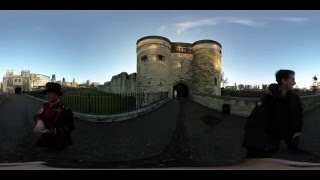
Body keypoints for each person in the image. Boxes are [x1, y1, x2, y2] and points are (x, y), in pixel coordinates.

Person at [243, 69, 304, 158]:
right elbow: (254, 121)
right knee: (272, 151)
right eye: (293, 79)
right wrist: (252, 147)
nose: (294, 82)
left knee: (294, 150)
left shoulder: (295, 97)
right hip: (274, 135)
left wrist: (298, 130)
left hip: (292, 133)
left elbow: (300, 114)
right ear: (284, 81)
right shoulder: (268, 98)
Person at [34, 82, 75, 150]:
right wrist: (39, 121)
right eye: (46, 93)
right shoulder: (45, 106)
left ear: (57, 94)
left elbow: (70, 128)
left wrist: (50, 131)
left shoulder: (65, 110)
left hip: (59, 142)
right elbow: (37, 115)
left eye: (50, 93)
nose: (47, 96)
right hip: (45, 141)